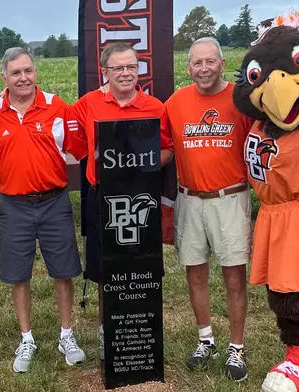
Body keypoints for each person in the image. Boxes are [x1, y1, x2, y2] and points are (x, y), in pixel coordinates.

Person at [0, 47, 89, 373]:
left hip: (55, 202)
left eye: (28, 70)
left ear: (35, 72)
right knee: (18, 274)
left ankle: (66, 335)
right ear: (4, 77)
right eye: (16, 72)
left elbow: (78, 146)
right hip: (14, 204)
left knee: (64, 270)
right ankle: (26, 338)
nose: (23, 77)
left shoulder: (57, 106)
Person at [158, 37, 253, 382]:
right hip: (189, 199)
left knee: (233, 277)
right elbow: (164, 149)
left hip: (229, 198)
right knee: (195, 272)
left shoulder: (240, 101)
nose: (204, 69)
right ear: (188, 68)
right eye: (197, 63)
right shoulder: (176, 103)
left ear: (223, 64)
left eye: (210, 62)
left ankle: (237, 347)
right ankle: (206, 339)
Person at [69, 42, 170, 360]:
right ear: (105, 72)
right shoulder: (87, 104)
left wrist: (144, 163)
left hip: (141, 197)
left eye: (131, 67)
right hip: (104, 198)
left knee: (141, 267)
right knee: (105, 270)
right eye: (118, 68)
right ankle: (107, 331)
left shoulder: (155, 106)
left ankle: (141, 331)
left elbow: (167, 149)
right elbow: (78, 144)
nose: (126, 73)